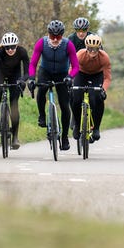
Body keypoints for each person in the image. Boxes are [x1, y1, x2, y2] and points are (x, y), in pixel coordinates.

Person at [28, 20, 79, 150]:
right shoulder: (42, 43)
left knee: (64, 105)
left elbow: (76, 66)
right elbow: (33, 63)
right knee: (41, 91)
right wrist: (32, 78)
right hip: (45, 71)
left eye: (58, 36)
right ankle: (42, 116)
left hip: (62, 74)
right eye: (52, 36)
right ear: (48, 34)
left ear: (62, 35)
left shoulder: (68, 45)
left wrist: (70, 77)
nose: (55, 39)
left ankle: (65, 137)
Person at [0, 32, 29, 149]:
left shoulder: (22, 52)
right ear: (3, 47)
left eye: (12, 47)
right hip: (0, 72)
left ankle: (15, 137)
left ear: (17, 45)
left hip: (15, 74)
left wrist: (22, 80)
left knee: (14, 105)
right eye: (7, 47)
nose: (10, 50)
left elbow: (27, 72)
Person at [71, 34, 111, 143]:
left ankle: (96, 127)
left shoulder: (104, 58)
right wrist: (70, 81)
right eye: (90, 49)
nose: (92, 51)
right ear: (86, 47)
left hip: (96, 76)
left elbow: (107, 78)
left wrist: (103, 89)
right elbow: (72, 69)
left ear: (99, 48)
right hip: (81, 74)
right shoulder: (79, 55)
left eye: (95, 49)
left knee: (97, 99)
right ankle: (77, 124)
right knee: (76, 99)